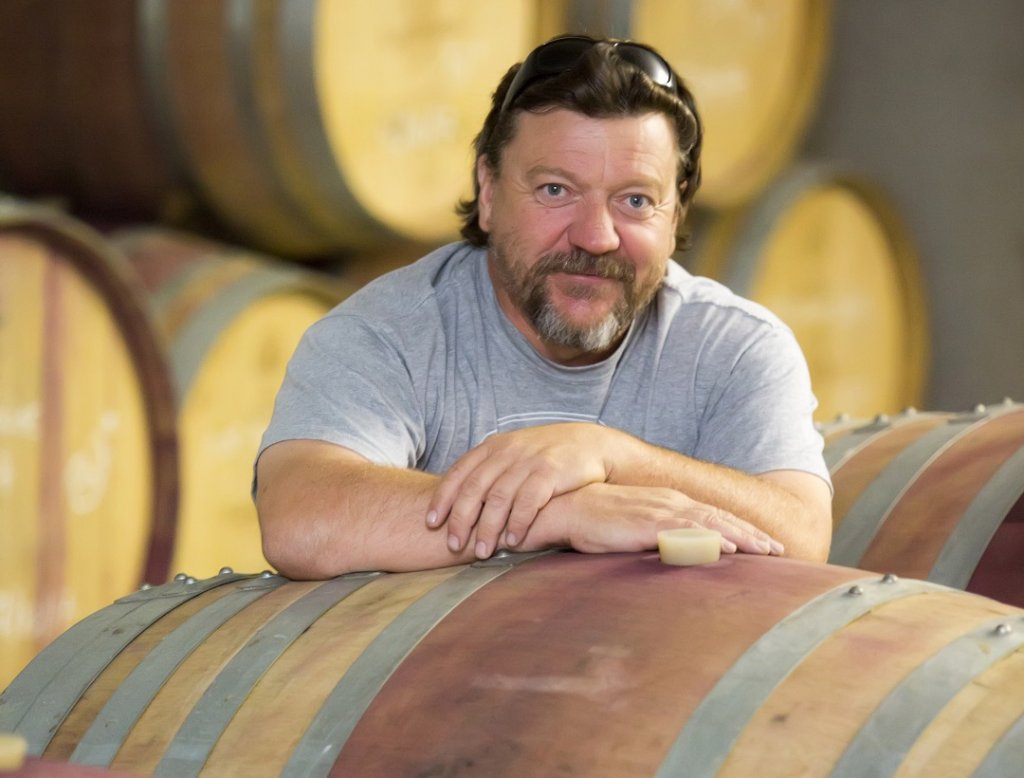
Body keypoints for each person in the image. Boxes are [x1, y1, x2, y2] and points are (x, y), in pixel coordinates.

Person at [254, 34, 832, 579]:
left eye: (635, 200)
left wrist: (612, 457)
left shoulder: (735, 345)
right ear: (488, 191)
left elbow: (802, 537)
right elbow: (301, 519)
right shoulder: (390, 331)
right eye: (556, 190)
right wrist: (562, 514)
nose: (596, 236)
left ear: (676, 214)